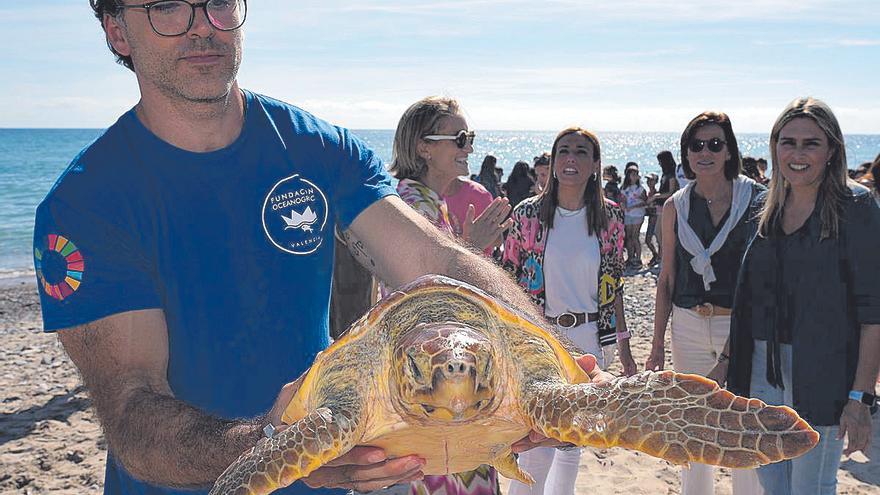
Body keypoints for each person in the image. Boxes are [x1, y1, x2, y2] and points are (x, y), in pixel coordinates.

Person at [35, 4, 600, 495]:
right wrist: (283, 445)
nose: (201, 27)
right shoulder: (86, 205)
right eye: (167, 6)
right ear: (116, 30)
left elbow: (437, 264)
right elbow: (133, 414)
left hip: (335, 469)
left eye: (218, 3)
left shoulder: (314, 147)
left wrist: (543, 362)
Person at [724, 97, 880, 495]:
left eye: (811, 143)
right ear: (774, 146)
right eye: (787, 141)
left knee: (811, 487)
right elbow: (749, 301)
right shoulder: (765, 207)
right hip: (760, 368)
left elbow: (872, 312)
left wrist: (859, 398)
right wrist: (727, 364)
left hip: (824, 373)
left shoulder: (855, 206)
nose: (797, 154)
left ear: (832, 150)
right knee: (774, 484)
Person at [386, 95, 516, 495]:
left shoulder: (426, 202)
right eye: (459, 138)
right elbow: (425, 296)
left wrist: (468, 249)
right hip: (433, 379)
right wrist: (471, 250)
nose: (469, 148)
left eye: (469, 137)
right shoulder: (412, 204)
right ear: (424, 147)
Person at [503, 127, 638, 495]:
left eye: (581, 152)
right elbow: (508, 280)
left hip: (590, 340)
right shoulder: (527, 215)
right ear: (553, 158)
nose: (571, 159)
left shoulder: (609, 218)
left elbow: (615, 284)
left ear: (595, 164)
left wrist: (623, 345)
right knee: (534, 443)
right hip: (539, 340)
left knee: (572, 441)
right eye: (563, 151)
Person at [644, 111, 764, 495]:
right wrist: (657, 342)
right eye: (696, 145)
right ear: (686, 153)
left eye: (715, 144)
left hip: (741, 326)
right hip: (688, 324)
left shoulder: (757, 200)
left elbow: (762, 283)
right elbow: (667, 278)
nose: (705, 152)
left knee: (744, 426)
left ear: (729, 150)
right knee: (693, 426)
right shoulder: (674, 207)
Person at [653, 150, 681, 263]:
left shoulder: (672, 175)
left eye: (660, 161)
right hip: (660, 205)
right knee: (658, 232)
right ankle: (665, 256)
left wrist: (656, 196)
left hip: (667, 205)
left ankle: (668, 256)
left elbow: (671, 192)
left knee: (660, 232)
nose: (659, 163)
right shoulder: (665, 174)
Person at [621, 164, 647, 268]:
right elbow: (622, 199)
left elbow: (644, 202)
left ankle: (638, 258)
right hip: (628, 214)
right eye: (632, 174)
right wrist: (624, 206)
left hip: (637, 214)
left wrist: (633, 206)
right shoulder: (624, 188)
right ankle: (630, 257)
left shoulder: (640, 189)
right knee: (629, 236)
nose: (635, 176)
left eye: (636, 174)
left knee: (635, 236)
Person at [644, 173, 660, 266]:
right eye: (648, 180)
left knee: (657, 239)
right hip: (651, 218)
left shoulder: (657, 194)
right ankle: (656, 255)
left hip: (655, 218)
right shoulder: (649, 193)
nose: (649, 182)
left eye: (651, 180)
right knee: (648, 240)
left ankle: (658, 256)